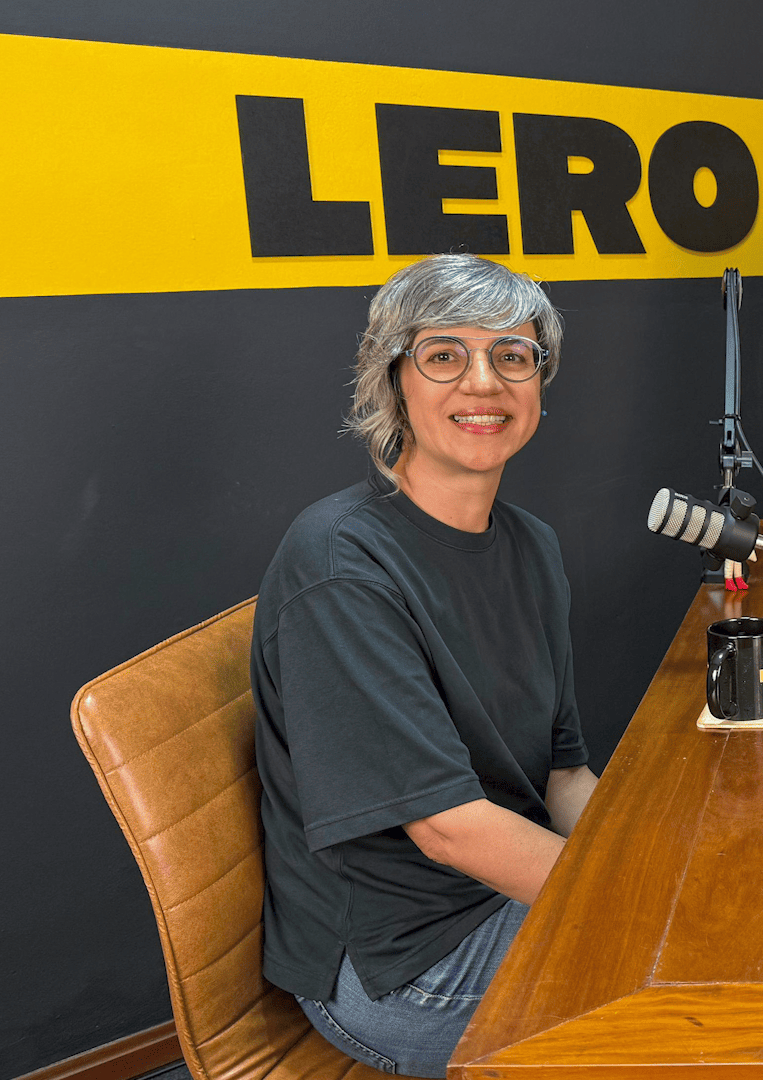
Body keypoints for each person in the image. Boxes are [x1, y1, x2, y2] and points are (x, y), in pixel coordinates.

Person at [252, 254, 599, 1076]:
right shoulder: (342, 564)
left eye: (512, 356)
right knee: (692, 997)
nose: (484, 382)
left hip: (501, 890)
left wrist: (658, 865)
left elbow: (564, 775)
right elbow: (448, 830)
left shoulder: (531, 545)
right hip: (401, 966)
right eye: (445, 355)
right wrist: (636, 899)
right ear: (394, 380)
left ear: (539, 382)